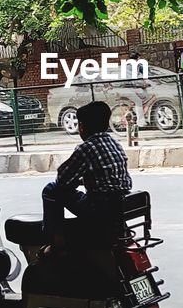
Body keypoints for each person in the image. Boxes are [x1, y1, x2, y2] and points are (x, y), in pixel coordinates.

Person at [41, 101, 133, 244]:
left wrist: (75, 181)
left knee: (51, 189)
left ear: (82, 127)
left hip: (99, 207)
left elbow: (62, 179)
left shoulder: (86, 148)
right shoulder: (114, 143)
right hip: (121, 203)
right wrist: (83, 181)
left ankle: (56, 241)